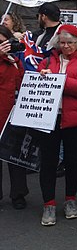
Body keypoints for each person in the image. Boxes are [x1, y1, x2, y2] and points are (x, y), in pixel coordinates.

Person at [32, 25, 77, 226]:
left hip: (75, 119)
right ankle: (49, 204)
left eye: (70, 42)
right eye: (62, 42)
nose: (66, 46)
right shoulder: (47, 60)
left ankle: (71, 199)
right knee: (48, 162)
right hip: (49, 119)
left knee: (72, 161)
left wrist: (56, 80)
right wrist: (43, 76)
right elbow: (37, 83)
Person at [0, 26, 29, 210]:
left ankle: (18, 194)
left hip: (13, 115)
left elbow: (23, 82)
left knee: (15, 157)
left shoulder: (15, 60)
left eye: (4, 41)